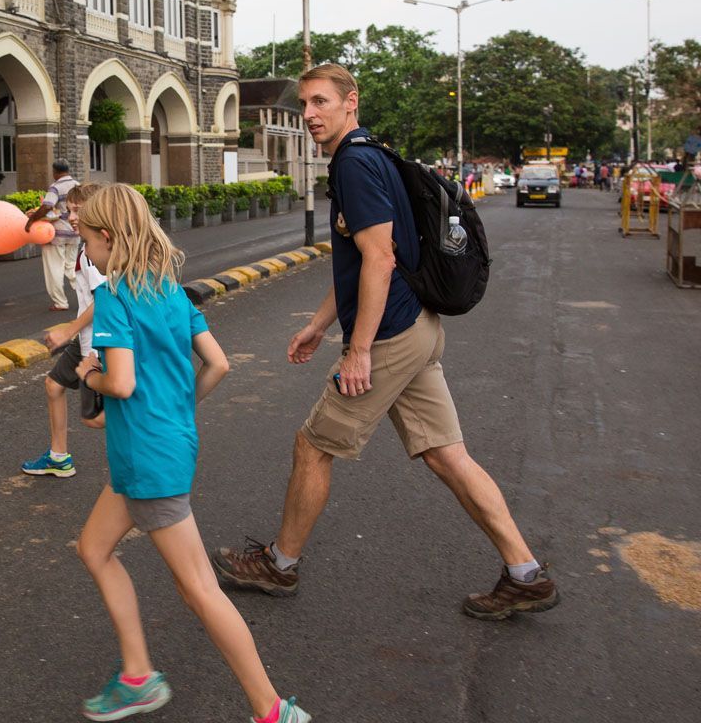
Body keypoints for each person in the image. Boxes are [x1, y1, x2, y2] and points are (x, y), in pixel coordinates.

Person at [210, 64, 560, 622]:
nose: (309, 115)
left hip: (392, 337)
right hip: (416, 326)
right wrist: (321, 323)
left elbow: (380, 257)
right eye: (304, 105)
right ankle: (525, 574)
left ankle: (280, 563)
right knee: (448, 455)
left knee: (314, 446)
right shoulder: (375, 154)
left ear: (351, 102)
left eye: (321, 102)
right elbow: (358, 261)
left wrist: (359, 350)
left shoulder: (354, 163)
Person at [72, 184, 310, 723]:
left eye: (86, 241)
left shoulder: (113, 296)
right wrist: (176, 409)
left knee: (200, 589)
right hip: (162, 447)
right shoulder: (169, 292)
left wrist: (90, 372)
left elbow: (123, 382)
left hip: (147, 460)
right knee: (93, 547)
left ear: (107, 237)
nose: (86, 253)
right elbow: (219, 364)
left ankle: (272, 710)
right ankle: (137, 675)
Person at [21, 183, 107, 479]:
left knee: (95, 419)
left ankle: (153, 426)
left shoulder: (96, 253)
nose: (71, 217)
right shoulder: (86, 248)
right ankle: (58, 457)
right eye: (70, 210)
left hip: (101, 343)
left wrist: (68, 330)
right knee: (54, 385)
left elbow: (105, 299)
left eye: (78, 211)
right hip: (85, 340)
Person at [27, 159, 80, 311]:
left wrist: (32, 219)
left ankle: (60, 303)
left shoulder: (55, 187)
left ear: (55, 172)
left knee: (54, 268)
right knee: (72, 266)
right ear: (68, 170)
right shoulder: (77, 185)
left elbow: (47, 206)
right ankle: (91, 294)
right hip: (75, 232)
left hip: (57, 233)